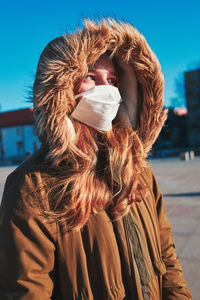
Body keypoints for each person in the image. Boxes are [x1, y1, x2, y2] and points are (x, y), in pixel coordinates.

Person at [0, 18, 192, 300]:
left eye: (113, 80)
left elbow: (167, 257)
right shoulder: (33, 186)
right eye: (91, 77)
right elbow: (25, 290)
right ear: (62, 90)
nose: (108, 90)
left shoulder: (138, 169)